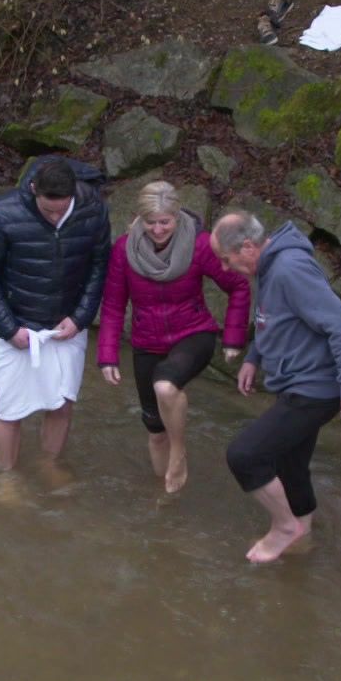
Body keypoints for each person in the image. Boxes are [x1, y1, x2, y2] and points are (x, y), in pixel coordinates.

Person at [210, 211, 341, 563]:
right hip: (301, 383)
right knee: (291, 463)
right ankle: (303, 537)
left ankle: (283, 527)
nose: (224, 267)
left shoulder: (289, 269)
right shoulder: (270, 267)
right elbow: (275, 319)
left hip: (315, 389)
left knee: (245, 456)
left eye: (226, 258)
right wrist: (253, 356)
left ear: (248, 247)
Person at [97, 182, 251, 494]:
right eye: (150, 222)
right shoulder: (124, 250)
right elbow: (113, 305)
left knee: (166, 386)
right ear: (139, 219)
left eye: (164, 222)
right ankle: (166, 495)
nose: (157, 229)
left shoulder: (201, 245)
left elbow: (239, 286)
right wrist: (107, 355)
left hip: (193, 333)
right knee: (155, 431)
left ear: (177, 217)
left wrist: (233, 338)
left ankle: (179, 455)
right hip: (146, 341)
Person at [0, 156, 110, 471]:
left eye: (63, 209)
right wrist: (8, 328)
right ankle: (7, 478)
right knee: (10, 410)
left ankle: (49, 466)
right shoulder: (3, 213)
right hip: (17, 322)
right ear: (34, 189)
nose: (56, 217)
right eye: (48, 211)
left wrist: (81, 317)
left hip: (67, 324)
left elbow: (100, 265)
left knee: (61, 405)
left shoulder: (93, 210)